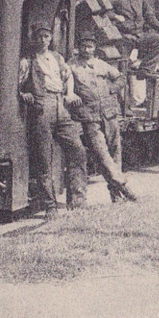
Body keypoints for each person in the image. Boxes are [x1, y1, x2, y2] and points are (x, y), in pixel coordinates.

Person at [18, 24, 88, 215]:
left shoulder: (57, 58)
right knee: (44, 159)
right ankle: (50, 206)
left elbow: (68, 76)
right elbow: (18, 84)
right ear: (34, 39)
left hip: (61, 105)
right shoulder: (27, 61)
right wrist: (24, 94)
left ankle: (77, 202)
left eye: (46, 36)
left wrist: (71, 93)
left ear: (50, 39)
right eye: (39, 36)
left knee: (78, 150)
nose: (43, 40)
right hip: (42, 108)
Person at [68, 33, 138, 203]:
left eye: (90, 46)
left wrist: (112, 89)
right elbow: (66, 84)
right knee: (102, 154)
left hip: (109, 113)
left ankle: (116, 195)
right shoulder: (72, 66)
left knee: (115, 151)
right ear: (78, 48)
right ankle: (123, 185)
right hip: (89, 116)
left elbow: (121, 78)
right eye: (83, 46)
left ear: (94, 48)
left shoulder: (102, 65)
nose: (86, 50)